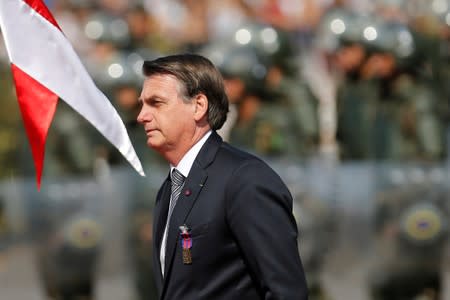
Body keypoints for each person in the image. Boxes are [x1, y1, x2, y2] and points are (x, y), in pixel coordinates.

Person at [136, 53, 308, 300]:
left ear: (198, 106)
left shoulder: (245, 179)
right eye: (142, 104)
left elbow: (286, 291)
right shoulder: (170, 188)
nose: (142, 115)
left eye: (156, 103)